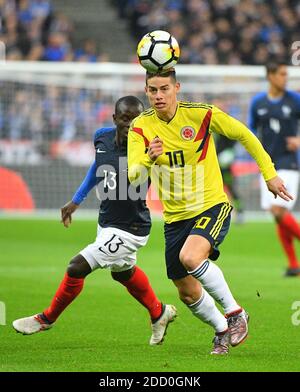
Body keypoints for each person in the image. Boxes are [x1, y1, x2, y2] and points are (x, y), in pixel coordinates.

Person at [127, 69, 292, 355]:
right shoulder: (140, 127)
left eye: (164, 88)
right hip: (175, 217)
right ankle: (221, 330)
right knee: (186, 290)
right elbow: (133, 176)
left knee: (190, 256)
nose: (158, 95)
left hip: (211, 204)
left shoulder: (201, 115)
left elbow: (244, 134)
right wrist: (147, 157)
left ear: (176, 87)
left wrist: (269, 173)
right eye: (152, 90)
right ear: (146, 91)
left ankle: (235, 313)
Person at [12, 96, 177, 345]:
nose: (131, 125)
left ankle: (47, 318)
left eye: (136, 120)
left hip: (131, 228)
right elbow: (97, 166)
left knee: (76, 267)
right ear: (114, 119)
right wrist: (76, 199)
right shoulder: (101, 137)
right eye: (125, 119)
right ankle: (159, 312)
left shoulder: (149, 146)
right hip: (107, 222)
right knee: (123, 273)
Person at [249, 62, 300, 277]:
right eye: (281, 74)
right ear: (270, 76)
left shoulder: (295, 100)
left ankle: (293, 263)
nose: (285, 78)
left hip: (289, 162)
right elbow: (250, 131)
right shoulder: (258, 102)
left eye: (286, 74)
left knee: (278, 211)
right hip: (267, 164)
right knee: (278, 215)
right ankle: (294, 265)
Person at [216, 134, 244, 223]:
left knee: (231, 189)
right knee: (215, 190)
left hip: (225, 169)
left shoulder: (224, 130)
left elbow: (234, 141)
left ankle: (240, 212)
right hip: (216, 167)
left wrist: (228, 154)